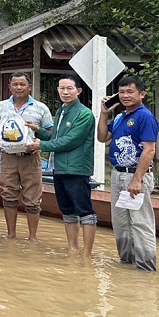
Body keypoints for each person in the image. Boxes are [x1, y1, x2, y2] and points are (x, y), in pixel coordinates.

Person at [26, 75, 97, 256]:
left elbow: (71, 141)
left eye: (69, 88)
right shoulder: (61, 111)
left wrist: (41, 145)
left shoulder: (84, 114)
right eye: (61, 88)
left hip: (77, 169)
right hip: (60, 168)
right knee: (67, 210)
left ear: (78, 91)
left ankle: (87, 254)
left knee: (85, 211)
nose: (65, 92)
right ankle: (73, 249)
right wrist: (38, 131)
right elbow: (55, 137)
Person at [97, 75, 159, 271]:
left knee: (141, 222)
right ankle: (127, 263)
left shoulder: (145, 117)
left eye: (130, 92)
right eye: (121, 92)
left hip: (135, 175)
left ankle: (146, 268)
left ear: (142, 94)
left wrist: (137, 179)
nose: (125, 96)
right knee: (121, 222)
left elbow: (149, 150)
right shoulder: (119, 117)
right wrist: (104, 114)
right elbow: (102, 137)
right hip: (118, 174)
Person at [0, 71, 53, 241]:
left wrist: (37, 138)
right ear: (9, 87)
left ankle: (32, 238)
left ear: (30, 87)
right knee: (8, 194)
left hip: (31, 157)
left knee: (33, 198)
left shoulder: (41, 108)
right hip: (8, 157)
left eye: (22, 84)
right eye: (15, 84)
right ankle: (11, 235)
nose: (19, 87)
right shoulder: (2, 106)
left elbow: (50, 132)